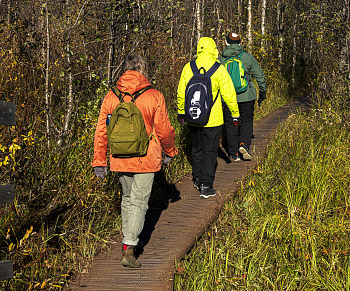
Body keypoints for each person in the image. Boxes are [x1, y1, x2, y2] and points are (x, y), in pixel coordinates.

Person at [92, 54, 178, 269]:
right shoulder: (154, 95)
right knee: (139, 201)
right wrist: (170, 151)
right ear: (142, 69)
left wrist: (99, 160)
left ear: (125, 69)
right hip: (146, 158)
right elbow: (164, 129)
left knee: (128, 198)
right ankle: (129, 248)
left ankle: (127, 239)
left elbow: (101, 131)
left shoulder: (111, 96)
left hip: (120, 157)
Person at [176, 36, 240, 198]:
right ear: (213, 49)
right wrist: (235, 114)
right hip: (213, 119)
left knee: (196, 149)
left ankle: (197, 179)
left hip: (193, 117)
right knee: (210, 152)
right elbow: (229, 94)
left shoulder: (188, 67)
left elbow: (181, 92)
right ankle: (206, 185)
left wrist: (181, 111)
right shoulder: (219, 69)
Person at [219, 32, 266, 162]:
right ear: (240, 43)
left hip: (228, 97)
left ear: (226, 42)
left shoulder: (221, 59)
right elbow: (259, 76)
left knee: (231, 123)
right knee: (246, 121)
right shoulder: (247, 57)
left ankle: (233, 153)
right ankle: (243, 145)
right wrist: (263, 92)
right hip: (247, 96)